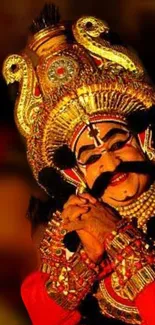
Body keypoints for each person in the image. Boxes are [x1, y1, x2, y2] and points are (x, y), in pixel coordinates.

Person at [3, 3, 155, 325]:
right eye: (93, 157)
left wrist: (118, 237)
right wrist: (87, 255)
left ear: (143, 141)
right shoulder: (68, 229)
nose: (111, 162)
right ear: (75, 173)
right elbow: (44, 316)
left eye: (118, 144)